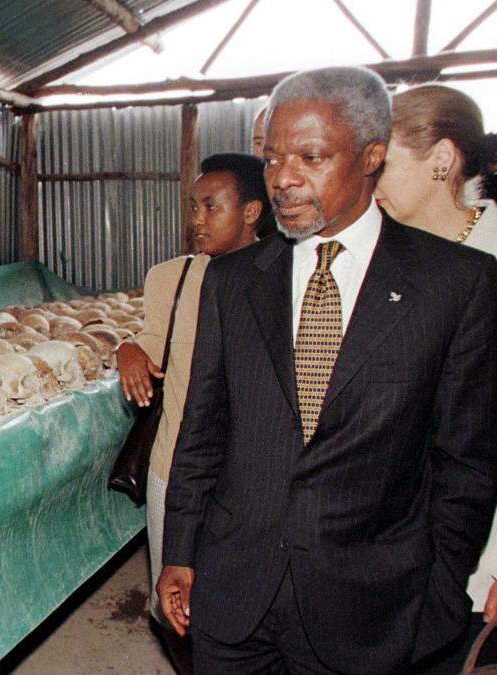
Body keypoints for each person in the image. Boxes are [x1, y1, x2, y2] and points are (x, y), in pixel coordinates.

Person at [157, 66, 497, 675]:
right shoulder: (234, 282)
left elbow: (464, 463)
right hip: (235, 598)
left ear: (372, 157)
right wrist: (179, 550)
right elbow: (202, 430)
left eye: (310, 157)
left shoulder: (455, 284)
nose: (284, 179)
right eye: (272, 158)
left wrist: (438, 597)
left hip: (369, 609)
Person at [117, 152, 271, 672]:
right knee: (174, 605)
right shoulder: (172, 278)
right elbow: (151, 343)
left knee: (244, 607)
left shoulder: (284, 278)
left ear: (251, 211)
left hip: (252, 479)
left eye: (210, 206)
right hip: (176, 470)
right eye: (194, 207)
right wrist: (127, 347)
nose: (196, 219)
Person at [374, 84, 497, 673]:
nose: (370, 185)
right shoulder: (393, 260)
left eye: (385, 165)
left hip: (482, 563)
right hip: (394, 549)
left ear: (441, 161)